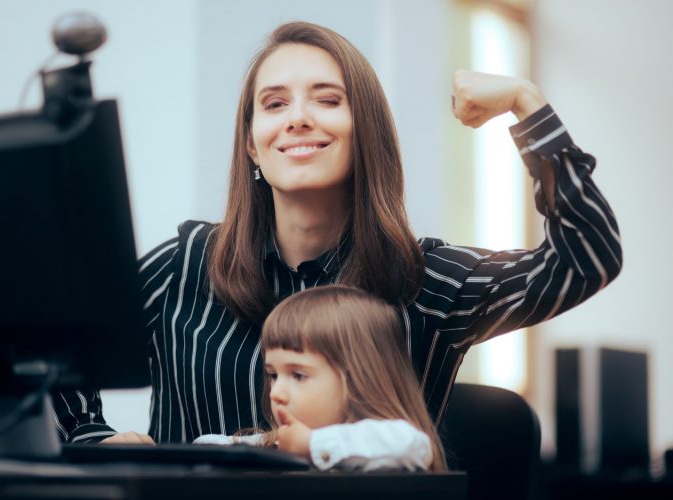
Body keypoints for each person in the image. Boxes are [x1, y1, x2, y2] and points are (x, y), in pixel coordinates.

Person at [53, 21, 622, 445]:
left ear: (364, 131)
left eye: (327, 99)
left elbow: (586, 259)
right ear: (253, 143)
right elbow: (55, 344)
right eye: (274, 104)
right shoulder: (186, 263)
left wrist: (526, 103)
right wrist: (91, 434)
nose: (298, 117)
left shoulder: (429, 279)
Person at [193, 285, 446, 472]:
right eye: (273, 375)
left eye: (298, 375)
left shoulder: (388, 444)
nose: (276, 392)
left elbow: (412, 444)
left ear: (358, 379)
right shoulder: (279, 443)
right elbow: (218, 446)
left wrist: (312, 444)